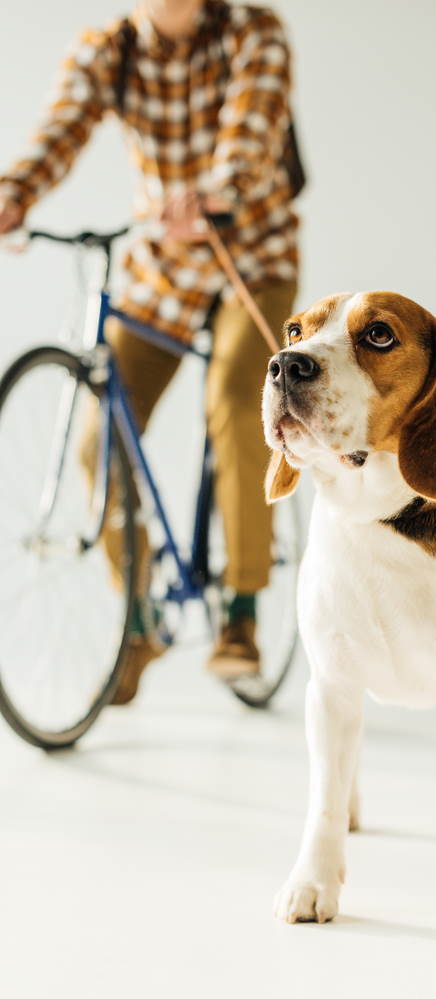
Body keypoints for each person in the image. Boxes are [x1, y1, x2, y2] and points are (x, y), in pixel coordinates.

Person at [0, 0, 300, 701]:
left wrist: (214, 193)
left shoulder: (251, 32)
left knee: (236, 403)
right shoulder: (110, 49)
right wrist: (14, 194)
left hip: (250, 258)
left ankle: (243, 609)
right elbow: (62, 127)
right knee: (98, 437)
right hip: (163, 266)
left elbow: (249, 134)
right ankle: (139, 621)